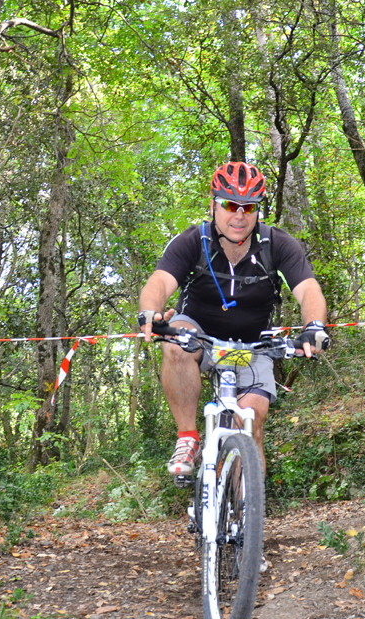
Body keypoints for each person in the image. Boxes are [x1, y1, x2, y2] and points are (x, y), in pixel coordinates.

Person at [138, 161, 330, 476]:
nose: (239, 215)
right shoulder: (193, 241)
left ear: (258, 210)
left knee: (251, 425)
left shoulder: (277, 244)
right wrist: (151, 312)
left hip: (253, 345)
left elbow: (309, 289)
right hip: (199, 336)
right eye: (230, 205)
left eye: (248, 207)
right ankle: (187, 437)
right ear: (213, 205)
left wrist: (314, 326)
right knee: (174, 342)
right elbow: (159, 282)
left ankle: (246, 504)